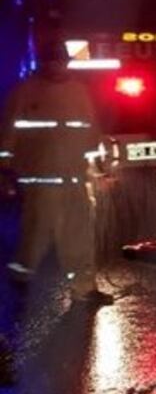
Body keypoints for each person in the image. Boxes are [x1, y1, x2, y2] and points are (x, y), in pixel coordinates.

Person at [0, 41, 113, 307]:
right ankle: (21, 277)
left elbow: (90, 133)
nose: (57, 66)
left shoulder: (79, 92)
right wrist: (4, 172)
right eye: (52, 60)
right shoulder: (25, 93)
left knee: (79, 235)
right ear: (43, 62)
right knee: (35, 235)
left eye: (60, 60)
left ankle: (84, 289)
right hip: (39, 180)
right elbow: (7, 136)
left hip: (74, 178)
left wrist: (99, 170)